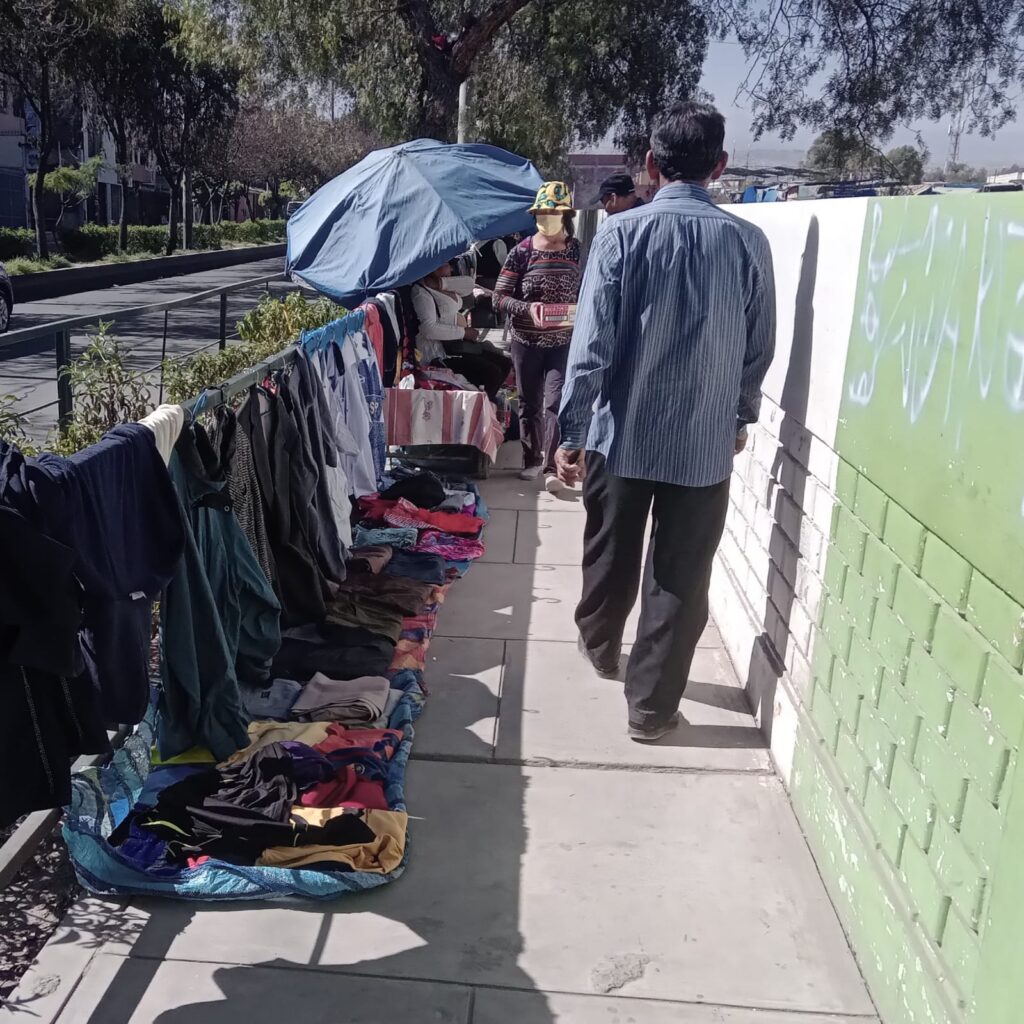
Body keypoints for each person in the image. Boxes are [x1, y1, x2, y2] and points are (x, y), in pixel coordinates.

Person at [556, 101, 776, 743]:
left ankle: (600, 646)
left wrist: (572, 431)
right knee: (681, 574)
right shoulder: (748, 243)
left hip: (621, 433)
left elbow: (590, 345)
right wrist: (739, 415)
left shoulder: (620, 236)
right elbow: (759, 347)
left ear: (650, 165)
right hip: (703, 443)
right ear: (720, 166)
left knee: (609, 550)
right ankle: (651, 710)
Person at [493, 181, 582, 492]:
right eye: (542, 213)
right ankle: (531, 458)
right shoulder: (522, 252)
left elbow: (589, 289)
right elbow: (499, 297)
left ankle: (551, 465)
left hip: (563, 341)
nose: (547, 218)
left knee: (556, 401)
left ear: (565, 215)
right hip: (526, 341)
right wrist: (527, 309)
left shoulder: (576, 250)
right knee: (530, 402)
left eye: (553, 213)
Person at [411, 263, 512, 400]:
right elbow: (428, 329)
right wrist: (464, 332)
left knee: (504, 362)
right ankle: (482, 406)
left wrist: (441, 283)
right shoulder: (421, 293)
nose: (451, 268)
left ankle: (487, 403)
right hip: (438, 355)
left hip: (456, 346)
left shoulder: (445, 286)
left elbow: (469, 284)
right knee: (492, 372)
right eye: (447, 265)